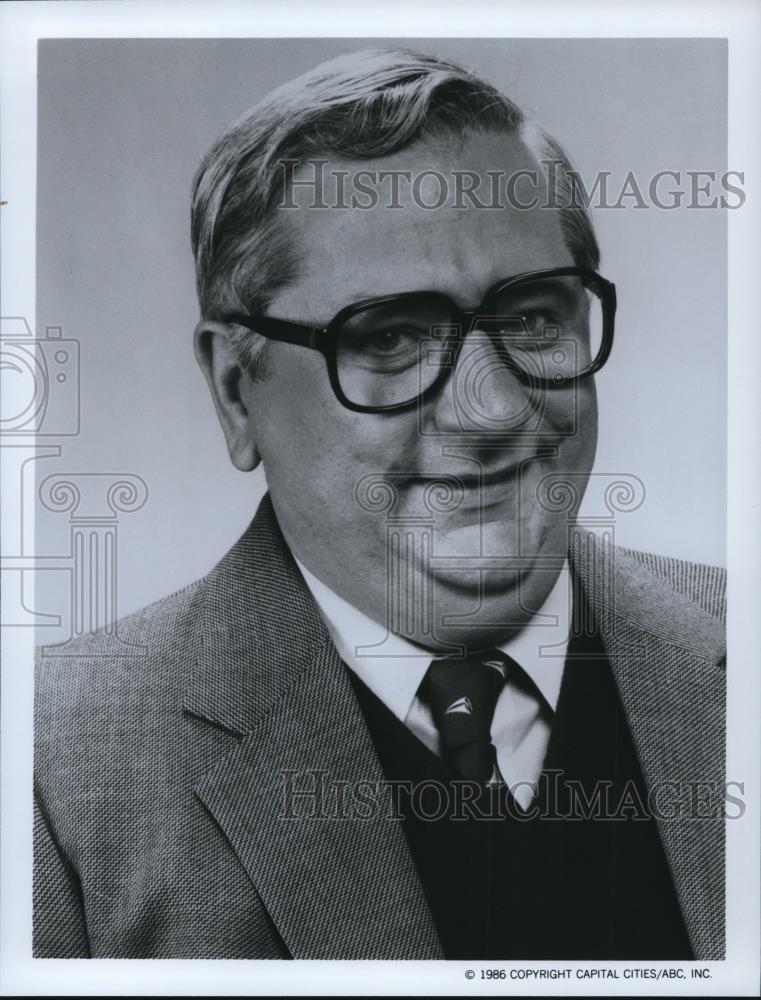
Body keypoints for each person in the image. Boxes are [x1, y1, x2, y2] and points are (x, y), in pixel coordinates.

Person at [34, 48, 726, 961]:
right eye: (392, 337)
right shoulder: (48, 779)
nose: (495, 409)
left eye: (531, 319)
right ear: (237, 393)